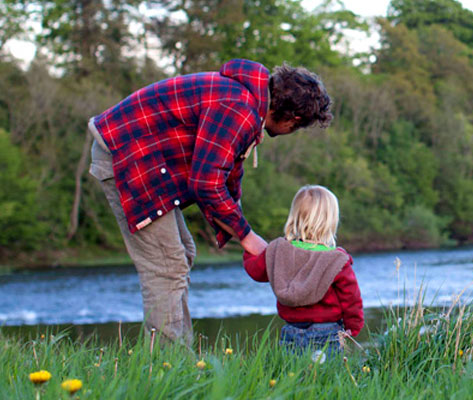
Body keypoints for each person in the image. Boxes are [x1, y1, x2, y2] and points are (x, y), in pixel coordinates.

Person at [87, 59, 332, 344]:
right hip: (126, 153)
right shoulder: (239, 108)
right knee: (167, 266)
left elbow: (225, 173)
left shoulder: (247, 101)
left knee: (183, 255)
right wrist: (246, 236)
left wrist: (236, 226)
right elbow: (205, 182)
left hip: (143, 158)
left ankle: (179, 358)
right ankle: (163, 364)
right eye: (298, 128)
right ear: (294, 119)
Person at [242, 185, 363, 355]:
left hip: (291, 330)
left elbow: (257, 271)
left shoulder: (280, 250)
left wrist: (249, 249)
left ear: (295, 217)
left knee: (293, 375)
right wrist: (353, 326)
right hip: (327, 332)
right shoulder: (336, 260)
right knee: (325, 378)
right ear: (330, 221)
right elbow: (351, 298)